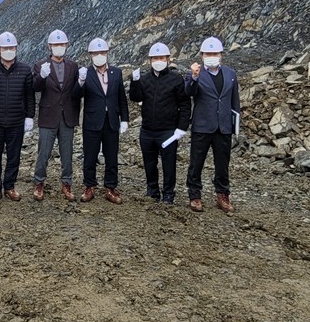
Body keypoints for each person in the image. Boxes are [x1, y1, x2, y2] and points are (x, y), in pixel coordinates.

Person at [0, 31, 35, 204]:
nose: (8, 51)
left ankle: (9, 186)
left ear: (16, 49)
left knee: (14, 156)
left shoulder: (24, 69)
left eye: (11, 48)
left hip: (16, 121)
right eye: (5, 48)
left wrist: (29, 116)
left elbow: (30, 95)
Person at [129, 42, 191, 204]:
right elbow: (136, 97)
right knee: (149, 163)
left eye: (161, 58)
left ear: (168, 59)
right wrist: (135, 82)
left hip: (168, 131)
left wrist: (182, 127)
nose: (158, 61)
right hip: (147, 130)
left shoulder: (176, 79)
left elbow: (185, 105)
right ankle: (152, 191)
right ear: (150, 60)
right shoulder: (145, 79)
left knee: (169, 164)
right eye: (155, 58)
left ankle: (168, 194)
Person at [185, 37, 241, 213]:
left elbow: (234, 101)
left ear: (221, 55)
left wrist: (235, 124)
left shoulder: (231, 74)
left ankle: (222, 194)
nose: (211, 57)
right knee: (196, 162)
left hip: (223, 126)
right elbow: (189, 92)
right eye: (208, 54)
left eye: (215, 53)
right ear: (202, 55)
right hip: (202, 125)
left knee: (223, 163)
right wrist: (194, 77)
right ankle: (194, 195)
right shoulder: (195, 73)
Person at [73, 38, 129, 203]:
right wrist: (80, 82)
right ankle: (89, 186)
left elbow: (121, 98)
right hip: (92, 121)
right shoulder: (85, 73)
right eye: (95, 53)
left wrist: (124, 119)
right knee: (90, 156)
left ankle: (110, 187)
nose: (99, 55)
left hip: (111, 120)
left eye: (102, 52)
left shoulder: (116, 73)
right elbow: (75, 95)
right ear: (90, 55)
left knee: (111, 156)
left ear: (107, 53)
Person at [31, 29, 81, 202]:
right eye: (55, 44)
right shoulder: (40, 65)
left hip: (67, 115)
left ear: (66, 45)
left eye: (62, 44)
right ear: (49, 46)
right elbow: (35, 88)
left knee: (67, 153)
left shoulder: (73, 66)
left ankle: (66, 183)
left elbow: (76, 91)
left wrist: (81, 82)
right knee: (43, 152)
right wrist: (41, 77)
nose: (59, 47)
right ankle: (39, 182)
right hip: (48, 115)